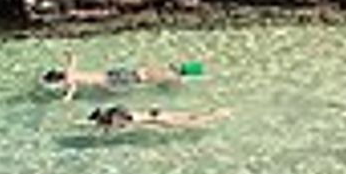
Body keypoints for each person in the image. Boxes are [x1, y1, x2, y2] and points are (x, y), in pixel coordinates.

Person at [41, 52, 202, 101]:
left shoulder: (69, 80)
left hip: (111, 81)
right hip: (111, 73)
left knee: (142, 79)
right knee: (140, 73)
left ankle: (177, 75)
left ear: (58, 80)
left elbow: (71, 92)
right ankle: (187, 69)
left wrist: (65, 98)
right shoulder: (70, 71)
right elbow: (74, 58)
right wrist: (68, 55)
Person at [88, 105, 231, 131]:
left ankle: (218, 115)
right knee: (189, 116)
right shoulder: (116, 111)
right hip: (156, 112)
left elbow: (118, 125)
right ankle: (216, 112)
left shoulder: (116, 118)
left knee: (190, 124)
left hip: (158, 120)